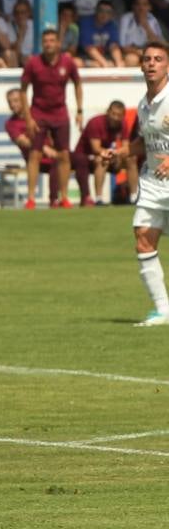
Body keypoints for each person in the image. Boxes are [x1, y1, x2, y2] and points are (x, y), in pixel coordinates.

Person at [20, 29, 84, 208]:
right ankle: (31, 198)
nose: (48, 43)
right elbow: (23, 90)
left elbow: (78, 84)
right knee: (35, 155)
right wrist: (28, 117)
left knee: (64, 155)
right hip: (38, 113)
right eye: (45, 40)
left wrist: (79, 110)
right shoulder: (33, 63)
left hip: (60, 113)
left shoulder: (68, 62)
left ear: (58, 43)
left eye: (52, 40)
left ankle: (64, 197)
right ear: (42, 43)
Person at [130, 42, 169, 326]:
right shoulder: (144, 103)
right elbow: (145, 141)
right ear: (141, 66)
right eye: (147, 59)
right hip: (155, 183)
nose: (152, 63)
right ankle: (163, 310)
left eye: (158, 59)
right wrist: (120, 153)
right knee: (143, 238)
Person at [76, 99, 135, 207]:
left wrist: (117, 154)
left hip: (109, 154)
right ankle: (99, 199)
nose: (115, 117)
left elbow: (126, 147)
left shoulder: (123, 124)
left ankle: (134, 197)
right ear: (107, 111)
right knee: (102, 160)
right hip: (86, 156)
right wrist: (113, 154)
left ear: (123, 116)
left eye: (119, 115)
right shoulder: (95, 122)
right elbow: (96, 148)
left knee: (131, 159)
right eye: (113, 114)